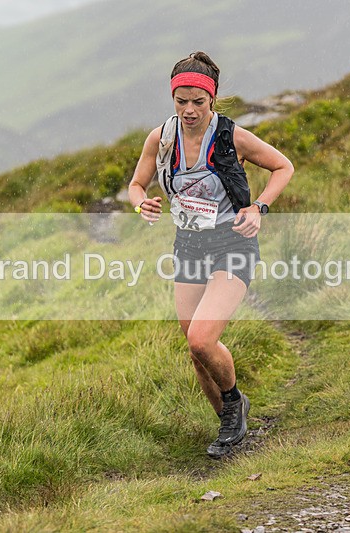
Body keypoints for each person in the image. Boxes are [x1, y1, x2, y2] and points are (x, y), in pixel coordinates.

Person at [128, 51, 294, 458]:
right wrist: (140, 203)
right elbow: (136, 184)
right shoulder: (161, 138)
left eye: (198, 102)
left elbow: (283, 167)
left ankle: (234, 402)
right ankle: (229, 423)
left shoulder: (232, 137)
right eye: (181, 101)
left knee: (203, 339)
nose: (189, 110)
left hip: (232, 244)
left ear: (212, 99)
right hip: (188, 247)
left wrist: (259, 208)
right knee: (195, 350)